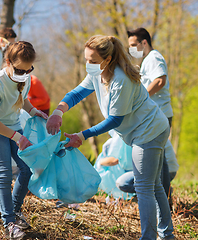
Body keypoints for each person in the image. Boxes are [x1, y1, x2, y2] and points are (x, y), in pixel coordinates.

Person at [46, 35, 174, 239]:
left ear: (107, 60)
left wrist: (82, 135)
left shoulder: (120, 80)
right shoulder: (98, 73)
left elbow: (115, 120)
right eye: (86, 59)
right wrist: (58, 111)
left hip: (149, 131)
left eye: (93, 61)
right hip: (147, 129)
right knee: (154, 184)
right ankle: (167, 235)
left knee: (143, 186)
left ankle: (150, 236)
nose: (89, 65)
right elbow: (77, 93)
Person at [0, 41, 48, 239]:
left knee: (26, 169)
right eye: (19, 69)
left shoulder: (24, 78)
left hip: (14, 126)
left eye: (29, 70)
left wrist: (35, 112)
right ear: (8, 62)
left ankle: (15, 211)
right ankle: (8, 222)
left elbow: (22, 99)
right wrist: (18, 137)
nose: (24, 74)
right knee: (4, 172)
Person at [128, 27, 174, 200]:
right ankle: (164, 201)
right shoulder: (146, 60)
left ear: (144, 42)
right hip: (155, 116)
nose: (132, 48)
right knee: (159, 161)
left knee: (158, 161)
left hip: (160, 115)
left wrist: (142, 97)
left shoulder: (154, 57)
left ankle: (165, 202)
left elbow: (160, 80)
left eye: (134, 44)